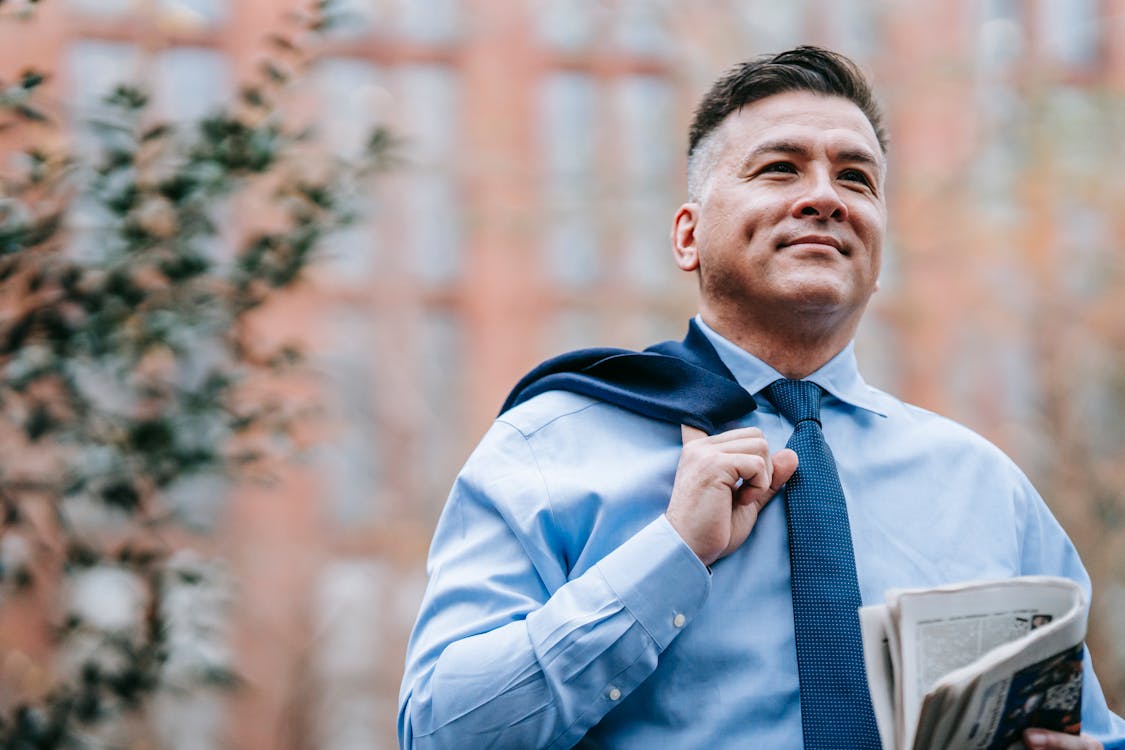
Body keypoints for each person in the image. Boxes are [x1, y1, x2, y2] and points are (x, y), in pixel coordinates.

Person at [398, 46, 1125, 749]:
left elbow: (1085, 729)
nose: (823, 198)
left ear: (876, 256)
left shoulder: (984, 489)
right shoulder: (548, 448)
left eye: (856, 180)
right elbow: (441, 730)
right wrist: (670, 555)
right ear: (688, 236)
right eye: (779, 169)